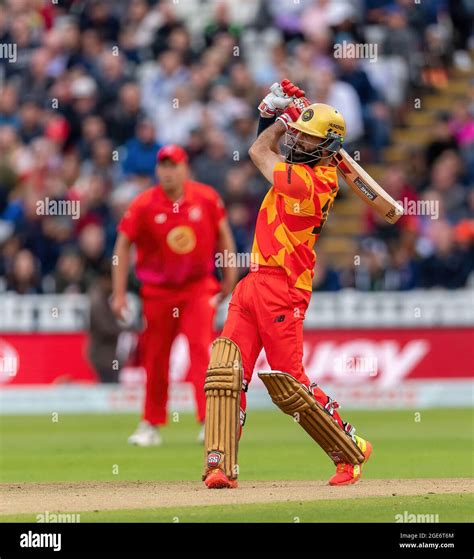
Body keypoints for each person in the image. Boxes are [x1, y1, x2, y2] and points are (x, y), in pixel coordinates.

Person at [202, 80, 372, 489]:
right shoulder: (302, 167)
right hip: (254, 280)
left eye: (308, 141)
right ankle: (219, 465)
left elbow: (260, 151)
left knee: (290, 384)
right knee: (226, 373)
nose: (299, 145)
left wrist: (281, 118)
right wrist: (278, 117)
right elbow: (272, 147)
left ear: (327, 149)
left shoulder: (315, 184)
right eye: (299, 138)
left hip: (284, 288)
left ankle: (350, 447)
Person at [112, 144, 237, 446]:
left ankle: (210, 420)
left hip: (197, 287)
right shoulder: (143, 204)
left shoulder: (206, 198)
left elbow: (224, 237)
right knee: (154, 357)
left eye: (174, 165)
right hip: (158, 291)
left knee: (202, 351)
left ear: (185, 168)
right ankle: (150, 424)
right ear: (158, 170)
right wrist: (118, 294)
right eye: (163, 166)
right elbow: (122, 246)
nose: (168, 172)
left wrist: (229, 277)